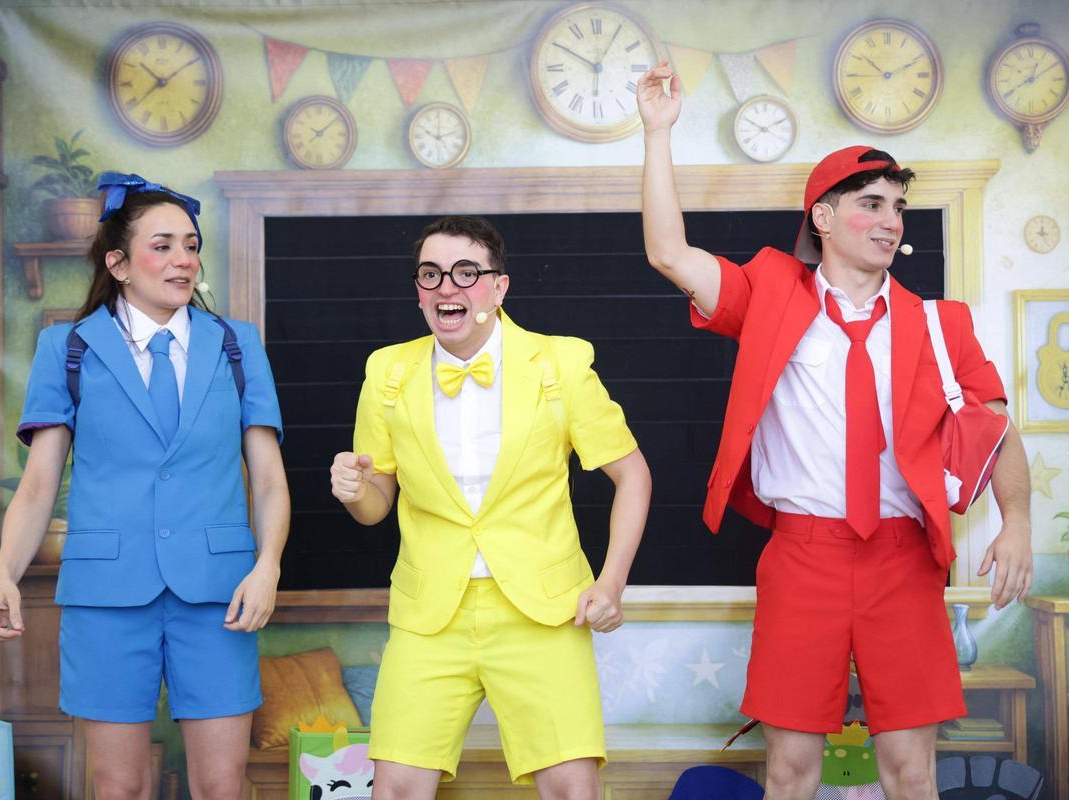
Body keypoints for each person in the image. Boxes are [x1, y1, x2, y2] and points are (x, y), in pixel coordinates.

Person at [636, 64, 1032, 800]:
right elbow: (668, 253)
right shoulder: (769, 290)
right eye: (871, 204)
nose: (891, 221)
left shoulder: (940, 324)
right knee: (790, 772)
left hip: (904, 560)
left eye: (899, 207)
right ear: (822, 216)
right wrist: (658, 133)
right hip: (802, 556)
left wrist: (1018, 522)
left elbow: (999, 427)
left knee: (911, 772)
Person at [0, 173, 290, 800]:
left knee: (222, 785)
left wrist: (268, 567)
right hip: (106, 594)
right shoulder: (66, 348)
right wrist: (5, 573)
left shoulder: (237, 346)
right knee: (120, 785)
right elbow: (39, 486)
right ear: (118, 264)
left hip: (219, 594)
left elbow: (267, 479)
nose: (184, 260)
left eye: (191, 245)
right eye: (163, 246)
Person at [330, 216, 651, 800]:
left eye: (465, 272)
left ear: (499, 287)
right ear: (418, 291)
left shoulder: (560, 363)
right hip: (430, 613)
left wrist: (611, 582)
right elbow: (377, 506)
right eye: (431, 274)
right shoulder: (387, 371)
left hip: (543, 612)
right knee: (394, 789)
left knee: (572, 789)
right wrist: (356, 492)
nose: (446, 287)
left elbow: (632, 475)